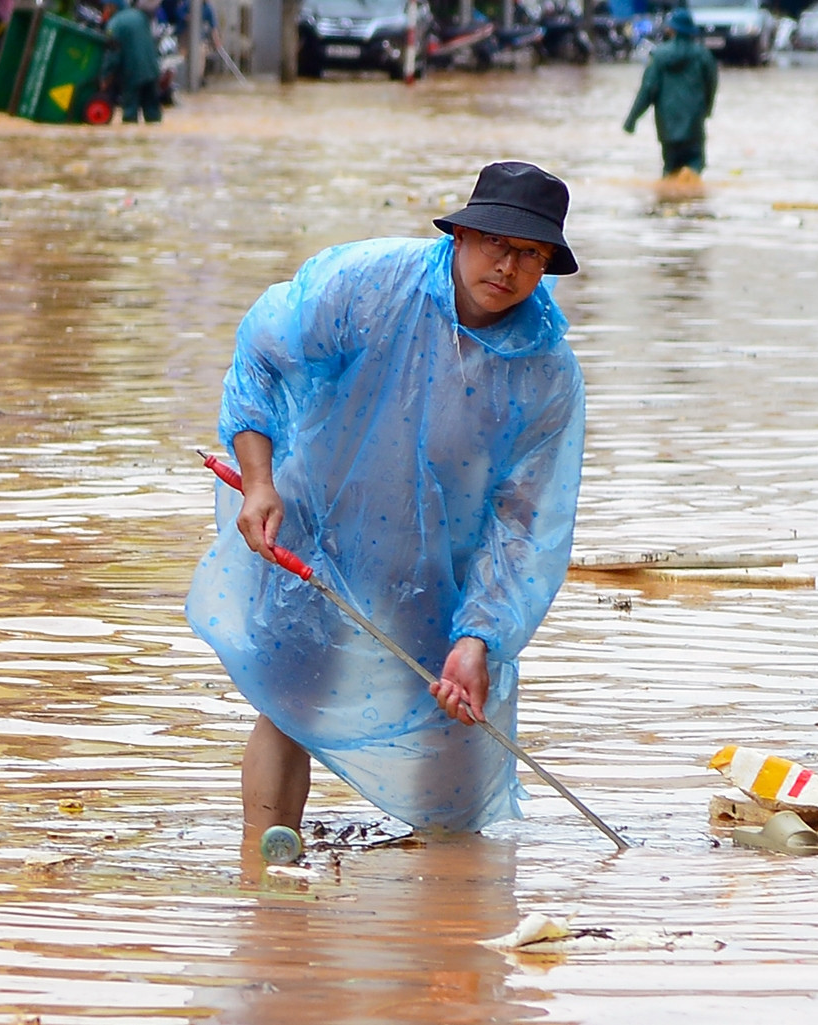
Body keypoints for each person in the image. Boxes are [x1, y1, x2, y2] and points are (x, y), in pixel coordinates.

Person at [187, 161, 585, 841]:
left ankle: (439, 912)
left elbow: (523, 528)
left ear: (546, 264)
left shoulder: (546, 373)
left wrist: (477, 636)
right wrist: (258, 480)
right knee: (288, 703)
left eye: (530, 254)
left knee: (452, 733)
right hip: (316, 526)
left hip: (438, 571)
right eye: (495, 242)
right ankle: (267, 872)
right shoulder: (368, 284)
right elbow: (258, 354)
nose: (508, 266)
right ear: (460, 235)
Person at [623, 9, 718, 180]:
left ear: (671, 30)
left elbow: (647, 91)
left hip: (667, 127)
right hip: (694, 126)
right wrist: (707, 110)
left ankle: (669, 202)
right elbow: (711, 86)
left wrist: (632, 119)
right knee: (695, 166)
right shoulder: (703, 56)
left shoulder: (658, 57)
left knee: (670, 171)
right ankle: (694, 203)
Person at [102, 0, 162, 124]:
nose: (105, 9)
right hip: (152, 70)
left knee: (130, 115)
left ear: (113, 6)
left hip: (132, 73)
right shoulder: (140, 15)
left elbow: (113, 54)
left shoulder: (115, 24)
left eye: (107, 6)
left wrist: (105, 76)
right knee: (153, 116)